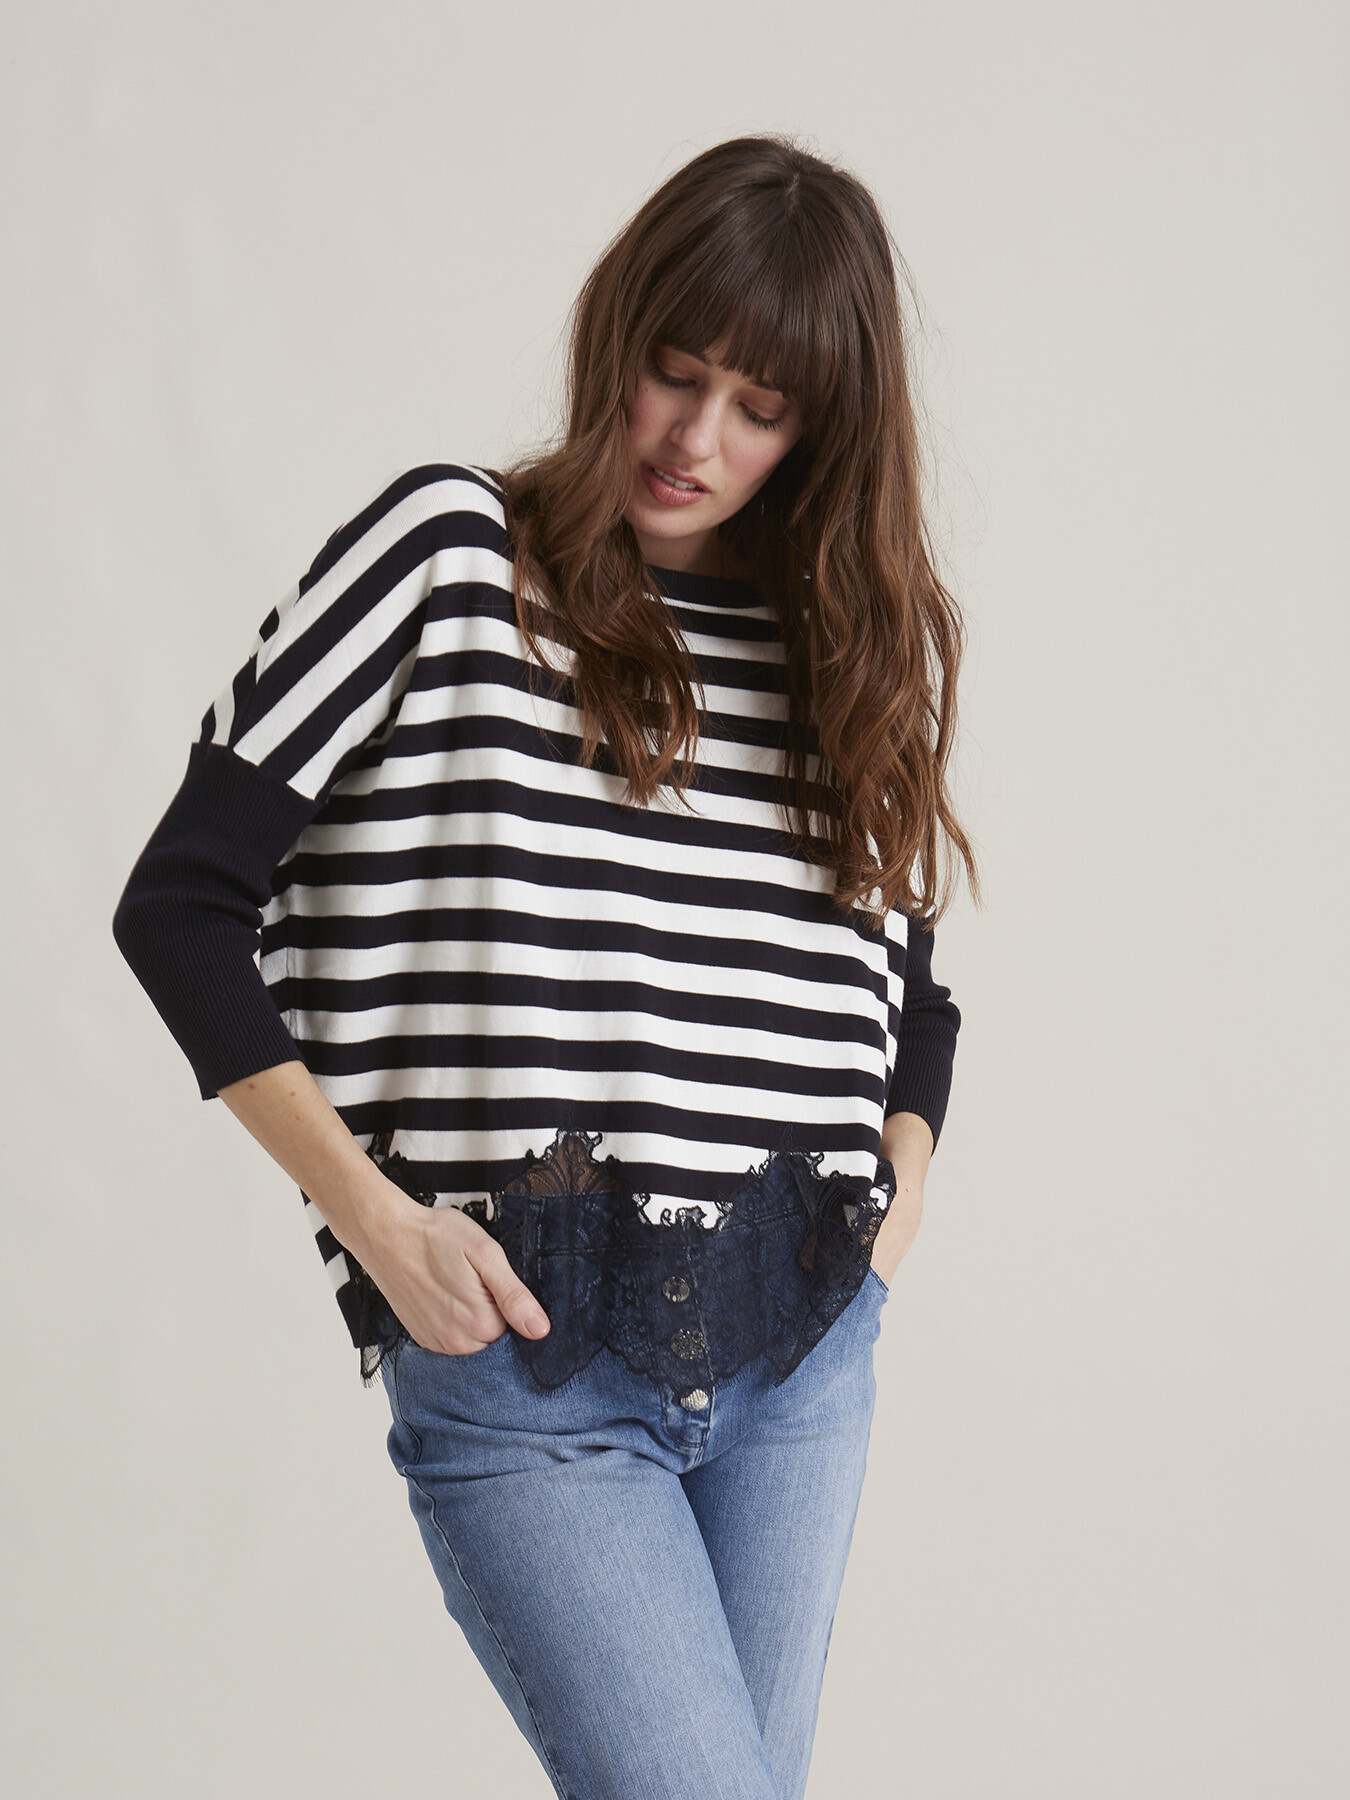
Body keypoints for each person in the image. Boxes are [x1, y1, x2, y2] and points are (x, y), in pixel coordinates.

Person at [113, 133, 980, 1800]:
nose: (694, 439)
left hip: (802, 1357)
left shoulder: (848, 648)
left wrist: (900, 1188)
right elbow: (181, 902)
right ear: (617, 336)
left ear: (824, 432)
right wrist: (376, 1221)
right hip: (527, 1355)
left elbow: (909, 996)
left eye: (760, 408)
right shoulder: (450, 558)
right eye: (675, 372)